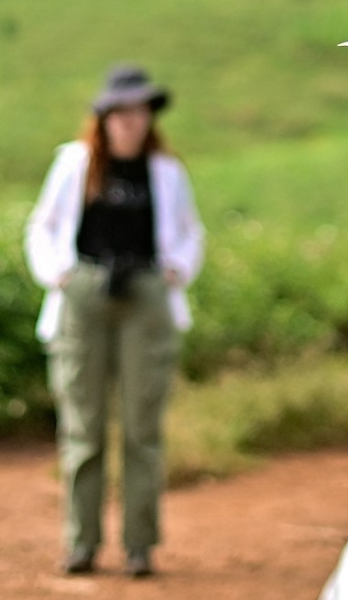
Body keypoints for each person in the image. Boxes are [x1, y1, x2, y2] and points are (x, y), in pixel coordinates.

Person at [24, 64, 205, 577]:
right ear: (103, 119)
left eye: (138, 112)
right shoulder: (75, 163)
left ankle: (139, 545)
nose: (129, 123)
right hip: (83, 290)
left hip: (146, 292)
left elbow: (192, 232)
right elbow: (43, 225)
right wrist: (57, 274)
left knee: (141, 427)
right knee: (83, 426)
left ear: (149, 117)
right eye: (119, 113)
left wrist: (177, 270)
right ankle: (81, 541)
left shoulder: (167, 172)